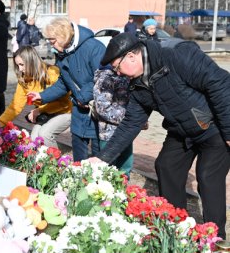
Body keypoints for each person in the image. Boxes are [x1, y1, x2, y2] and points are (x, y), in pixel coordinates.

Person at [97, 32, 230, 239]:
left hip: (214, 127)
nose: (117, 74)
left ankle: (214, 238)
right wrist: (102, 159)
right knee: (166, 166)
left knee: (208, 176)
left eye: (117, 67)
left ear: (131, 56)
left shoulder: (175, 55)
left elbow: (220, 83)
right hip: (181, 130)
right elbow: (131, 123)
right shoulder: (137, 84)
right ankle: (177, 227)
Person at [28, 17, 106, 161]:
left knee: (97, 158)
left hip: (96, 112)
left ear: (63, 35)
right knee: (78, 157)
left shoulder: (94, 47)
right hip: (78, 110)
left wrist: (84, 95)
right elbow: (64, 82)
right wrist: (42, 95)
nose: (51, 46)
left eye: (52, 41)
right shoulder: (62, 52)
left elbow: (103, 78)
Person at [0, 45, 72, 148]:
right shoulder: (24, 80)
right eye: (17, 65)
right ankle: (42, 162)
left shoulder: (51, 73)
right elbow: (15, 106)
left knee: (45, 135)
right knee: (34, 140)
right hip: (46, 113)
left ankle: (57, 162)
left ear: (31, 61)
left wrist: (39, 111)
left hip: (66, 111)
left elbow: (64, 103)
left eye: (22, 64)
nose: (20, 69)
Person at [93, 68, 133, 177]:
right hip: (109, 134)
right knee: (107, 170)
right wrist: (129, 118)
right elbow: (103, 108)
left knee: (125, 168)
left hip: (127, 132)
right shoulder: (106, 78)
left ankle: (123, 191)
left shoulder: (128, 76)